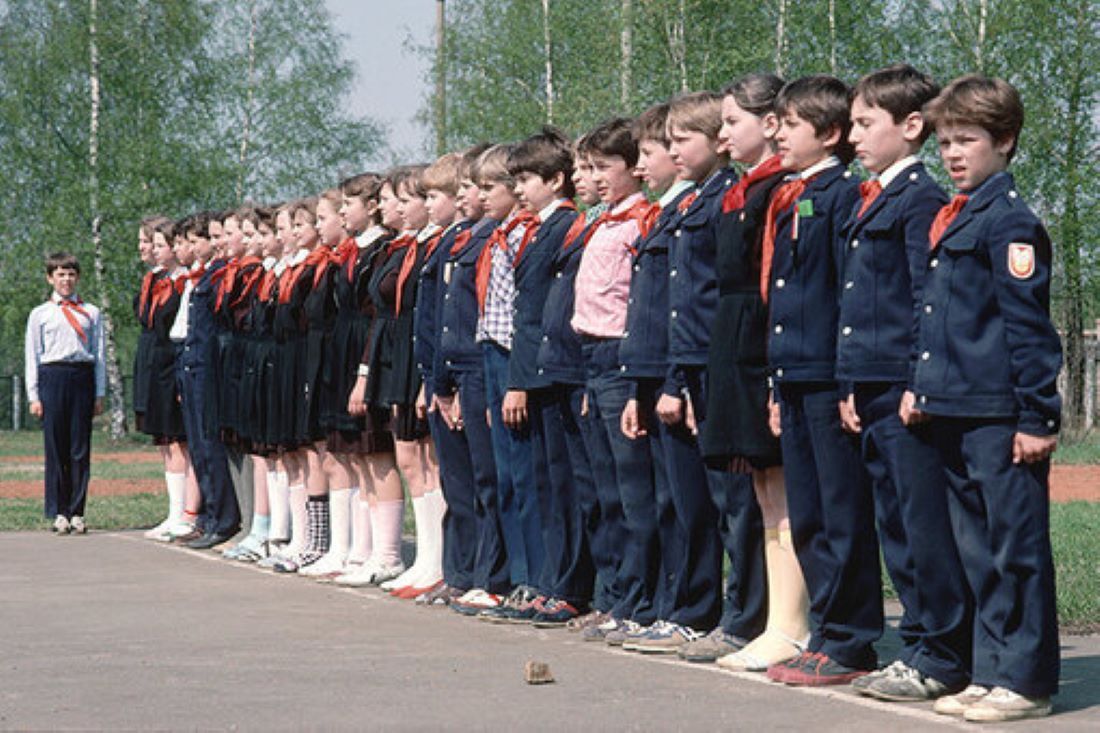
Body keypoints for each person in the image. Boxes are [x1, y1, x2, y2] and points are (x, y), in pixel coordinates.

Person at [915, 75, 1061, 724]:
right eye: (944, 140)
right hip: (955, 407)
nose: (951, 152)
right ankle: (990, 668)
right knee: (976, 548)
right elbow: (941, 320)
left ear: (1004, 141)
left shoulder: (1010, 222)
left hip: (1002, 414)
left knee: (1015, 547)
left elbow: (1027, 328)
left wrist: (1037, 415)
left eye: (967, 139)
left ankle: (1026, 677)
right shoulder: (959, 213)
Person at [837, 64, 973, 703]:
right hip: (870, 383)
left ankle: (943, 654)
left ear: (911, 126)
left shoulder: (918, 198)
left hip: (903, 386)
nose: (854, 135)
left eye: (866, 123)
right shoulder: (875, 194)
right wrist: (848, 383)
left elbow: (926, 298)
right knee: (895, 522)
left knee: (923, 525)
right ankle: (919, 642)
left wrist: (920, 379)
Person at [761, 76, 879, 687]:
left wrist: (843, 381)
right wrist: (779, 385)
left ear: (828, 134)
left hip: (828, 377)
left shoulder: (838, 195)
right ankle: (826, 633)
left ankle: (852, 638)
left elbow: (841, 294)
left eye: (789, 123)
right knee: (808, 514)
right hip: (796, 375)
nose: (776, 131)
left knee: (840, 512)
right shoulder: (796, 194)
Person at [694, 73, 809, 672]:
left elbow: (772, 279)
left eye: (732, 121)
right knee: (761, 486)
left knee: (780, 483)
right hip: (733, 337)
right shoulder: (743, 191)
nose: (722, 132)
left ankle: (792, 622)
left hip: (760, 338)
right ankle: (775, 620)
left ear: (769, 125)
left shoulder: (780, 191)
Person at [570, 118, 661, 644]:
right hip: (591, 356)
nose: (596, 177)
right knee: (604, 487)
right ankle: (618, 595)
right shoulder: (602, 222)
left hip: (621, 355)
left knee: (633, 489)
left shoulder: (640, 222)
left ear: (633, 168)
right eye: (588, 168)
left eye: (605, 167)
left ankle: (642, 600)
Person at [617, 102, 700, 650]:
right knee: (667, 499)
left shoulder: (697, 207)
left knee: (691, 503)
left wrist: (677, 382)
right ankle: (672, 604)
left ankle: (693, 609)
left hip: (678, 373)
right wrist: (636, 386)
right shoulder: (667, 213)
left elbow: (690, 305)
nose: (652, 160)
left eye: (655, 151)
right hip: (648, 371)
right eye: (652, 148)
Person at [24, 252, 105, 535]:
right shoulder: (40, 314)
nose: (66, 280)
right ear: (50, 278)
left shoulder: (91, 313)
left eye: (71, 274)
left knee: (79, 448)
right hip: (52, 377)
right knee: (56, 447)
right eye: (60, 274)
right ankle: (59, 510)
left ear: (78, 277)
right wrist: (34, 395)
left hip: (81, 376)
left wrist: (99, 392)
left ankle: (78, 511)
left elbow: (99, 354)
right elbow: (32, 355)